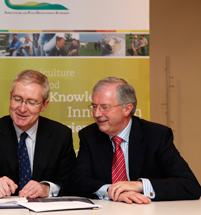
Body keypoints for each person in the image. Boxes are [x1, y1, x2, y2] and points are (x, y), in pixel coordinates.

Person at [71, 77, 201, 204]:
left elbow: (190, 186)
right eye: (94, 106)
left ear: (127, 109)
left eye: (105, 107)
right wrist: (112, 190)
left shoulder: (156, 135)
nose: (96, 114)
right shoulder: (89, 135)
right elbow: (78, 181)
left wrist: (140, 186)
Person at [0, 70, 76, 198]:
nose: (22, 109)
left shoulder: (61, 135)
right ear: (10, 96)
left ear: (44, 105)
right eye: (18, 99)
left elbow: (72, 183)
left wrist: (47, 189)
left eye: (31, 102)